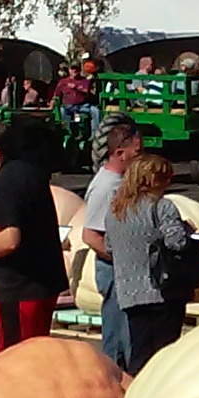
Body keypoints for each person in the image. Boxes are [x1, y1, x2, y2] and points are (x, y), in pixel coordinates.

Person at [0, 122, 66, 351]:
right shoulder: (32, 171)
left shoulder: (4, 181)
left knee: (15, 359)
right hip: (43, 282)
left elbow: (9, 239)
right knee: (38, 353)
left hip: (19, 288)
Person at [105, 153, 199, 375]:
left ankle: (134, 394)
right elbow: (177, 243)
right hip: (162, 290)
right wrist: (187, 231)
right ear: (152, 181)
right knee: (165, 356)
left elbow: (109, 247)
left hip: (129, 293)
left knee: (140, 353)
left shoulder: (115, 211)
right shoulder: (162, 207)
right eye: (165, 178)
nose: (168, 183)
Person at [78, 122, 144, 367]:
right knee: (117, 338)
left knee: (127, 335)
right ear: (120, 153)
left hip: (123, 271)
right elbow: (90, 235)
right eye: (137, 153)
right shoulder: (106, 187)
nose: (140, 158)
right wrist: (123, 259)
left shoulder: (119, 182)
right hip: (114, 271)